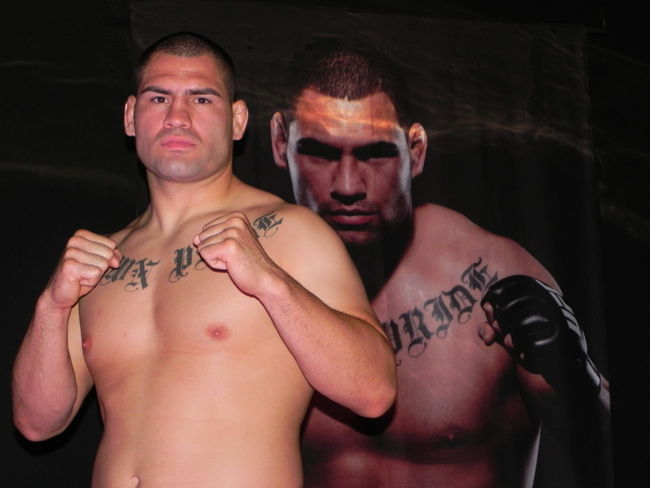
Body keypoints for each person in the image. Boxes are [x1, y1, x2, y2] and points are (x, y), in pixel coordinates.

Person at [12, 32, 397, 488]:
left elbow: (374, 393)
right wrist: (52, 306)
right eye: (159, 98)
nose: (177, 117)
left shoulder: (289, 232)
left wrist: (269, 281)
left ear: (237, 121)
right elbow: (37, 424)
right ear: (131, 116)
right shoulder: (101, 259)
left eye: (201, 98)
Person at [270, 40, 610, 487]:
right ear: (280, 143)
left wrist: (578, 376)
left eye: (376, 153)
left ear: (415, 151)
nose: (348, 186)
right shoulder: (253, 282)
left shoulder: (493, 272)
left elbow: (610, 447)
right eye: (320, 152)